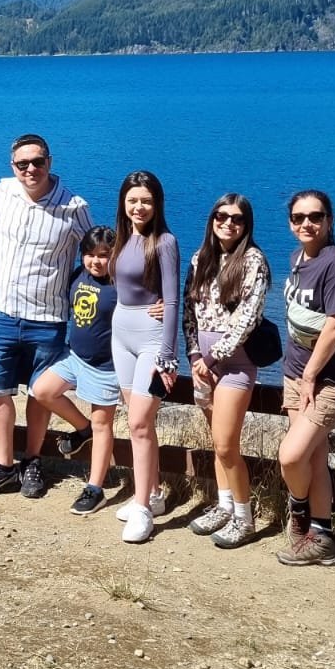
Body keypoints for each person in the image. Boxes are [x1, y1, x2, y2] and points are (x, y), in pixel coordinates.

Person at [0, 134, 92, 500]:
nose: (31, 169)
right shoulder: (3, 192)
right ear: (13, 167)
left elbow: (98, 254)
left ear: (50, 162)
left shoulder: (74, 207)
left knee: (39, 394)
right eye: (23, 164)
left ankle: (33, 461)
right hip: (4, 313)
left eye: (37, 161)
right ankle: (4, 467)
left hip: (48, 318)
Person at [183, 193, 271, 550]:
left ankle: (245, 518)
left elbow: (246, 319)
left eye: (236, 218)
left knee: (225, 443)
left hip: (234, 365)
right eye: (221, 216)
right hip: (203, 364)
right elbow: (190, 310)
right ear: (212, 219)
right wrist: (193, 353)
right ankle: (224, 506)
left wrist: (211, 358)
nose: (228, 223)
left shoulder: (254, 261)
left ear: (246, 224)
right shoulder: (201, 258)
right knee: (217, 443)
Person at [276, 189, 335, 568]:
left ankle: (298, 511)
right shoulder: (297, 258)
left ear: (329, 220)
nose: (306, 224)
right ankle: (322, 537)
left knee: (291, 455)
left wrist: (311, 374)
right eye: (299, 217)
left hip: (329, 380)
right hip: (296, 373)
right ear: (291, 223)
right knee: (314, 456)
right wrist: (299, 371)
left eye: (315, 216)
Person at [107, 171, 179, 545]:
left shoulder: (164, 242)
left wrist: (168, 356)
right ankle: (152, 493)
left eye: (146, 201)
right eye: (133, 200)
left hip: (151, 339)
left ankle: (142, 509)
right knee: (140, 423)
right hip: (121, 336)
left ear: (157, 204)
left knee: (137, 422)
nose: (139, 207)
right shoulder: (121, 238)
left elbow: (173, 300)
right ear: (123, 203)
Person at [30, 226, 119, 516]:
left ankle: (95, 488)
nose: (96, 261)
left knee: (103, 425)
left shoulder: (120, 285)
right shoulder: (79, 275)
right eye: (89, 254)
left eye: (103, 255)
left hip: (106, 366)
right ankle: (84, 429)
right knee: (42, 390)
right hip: (74, 356)